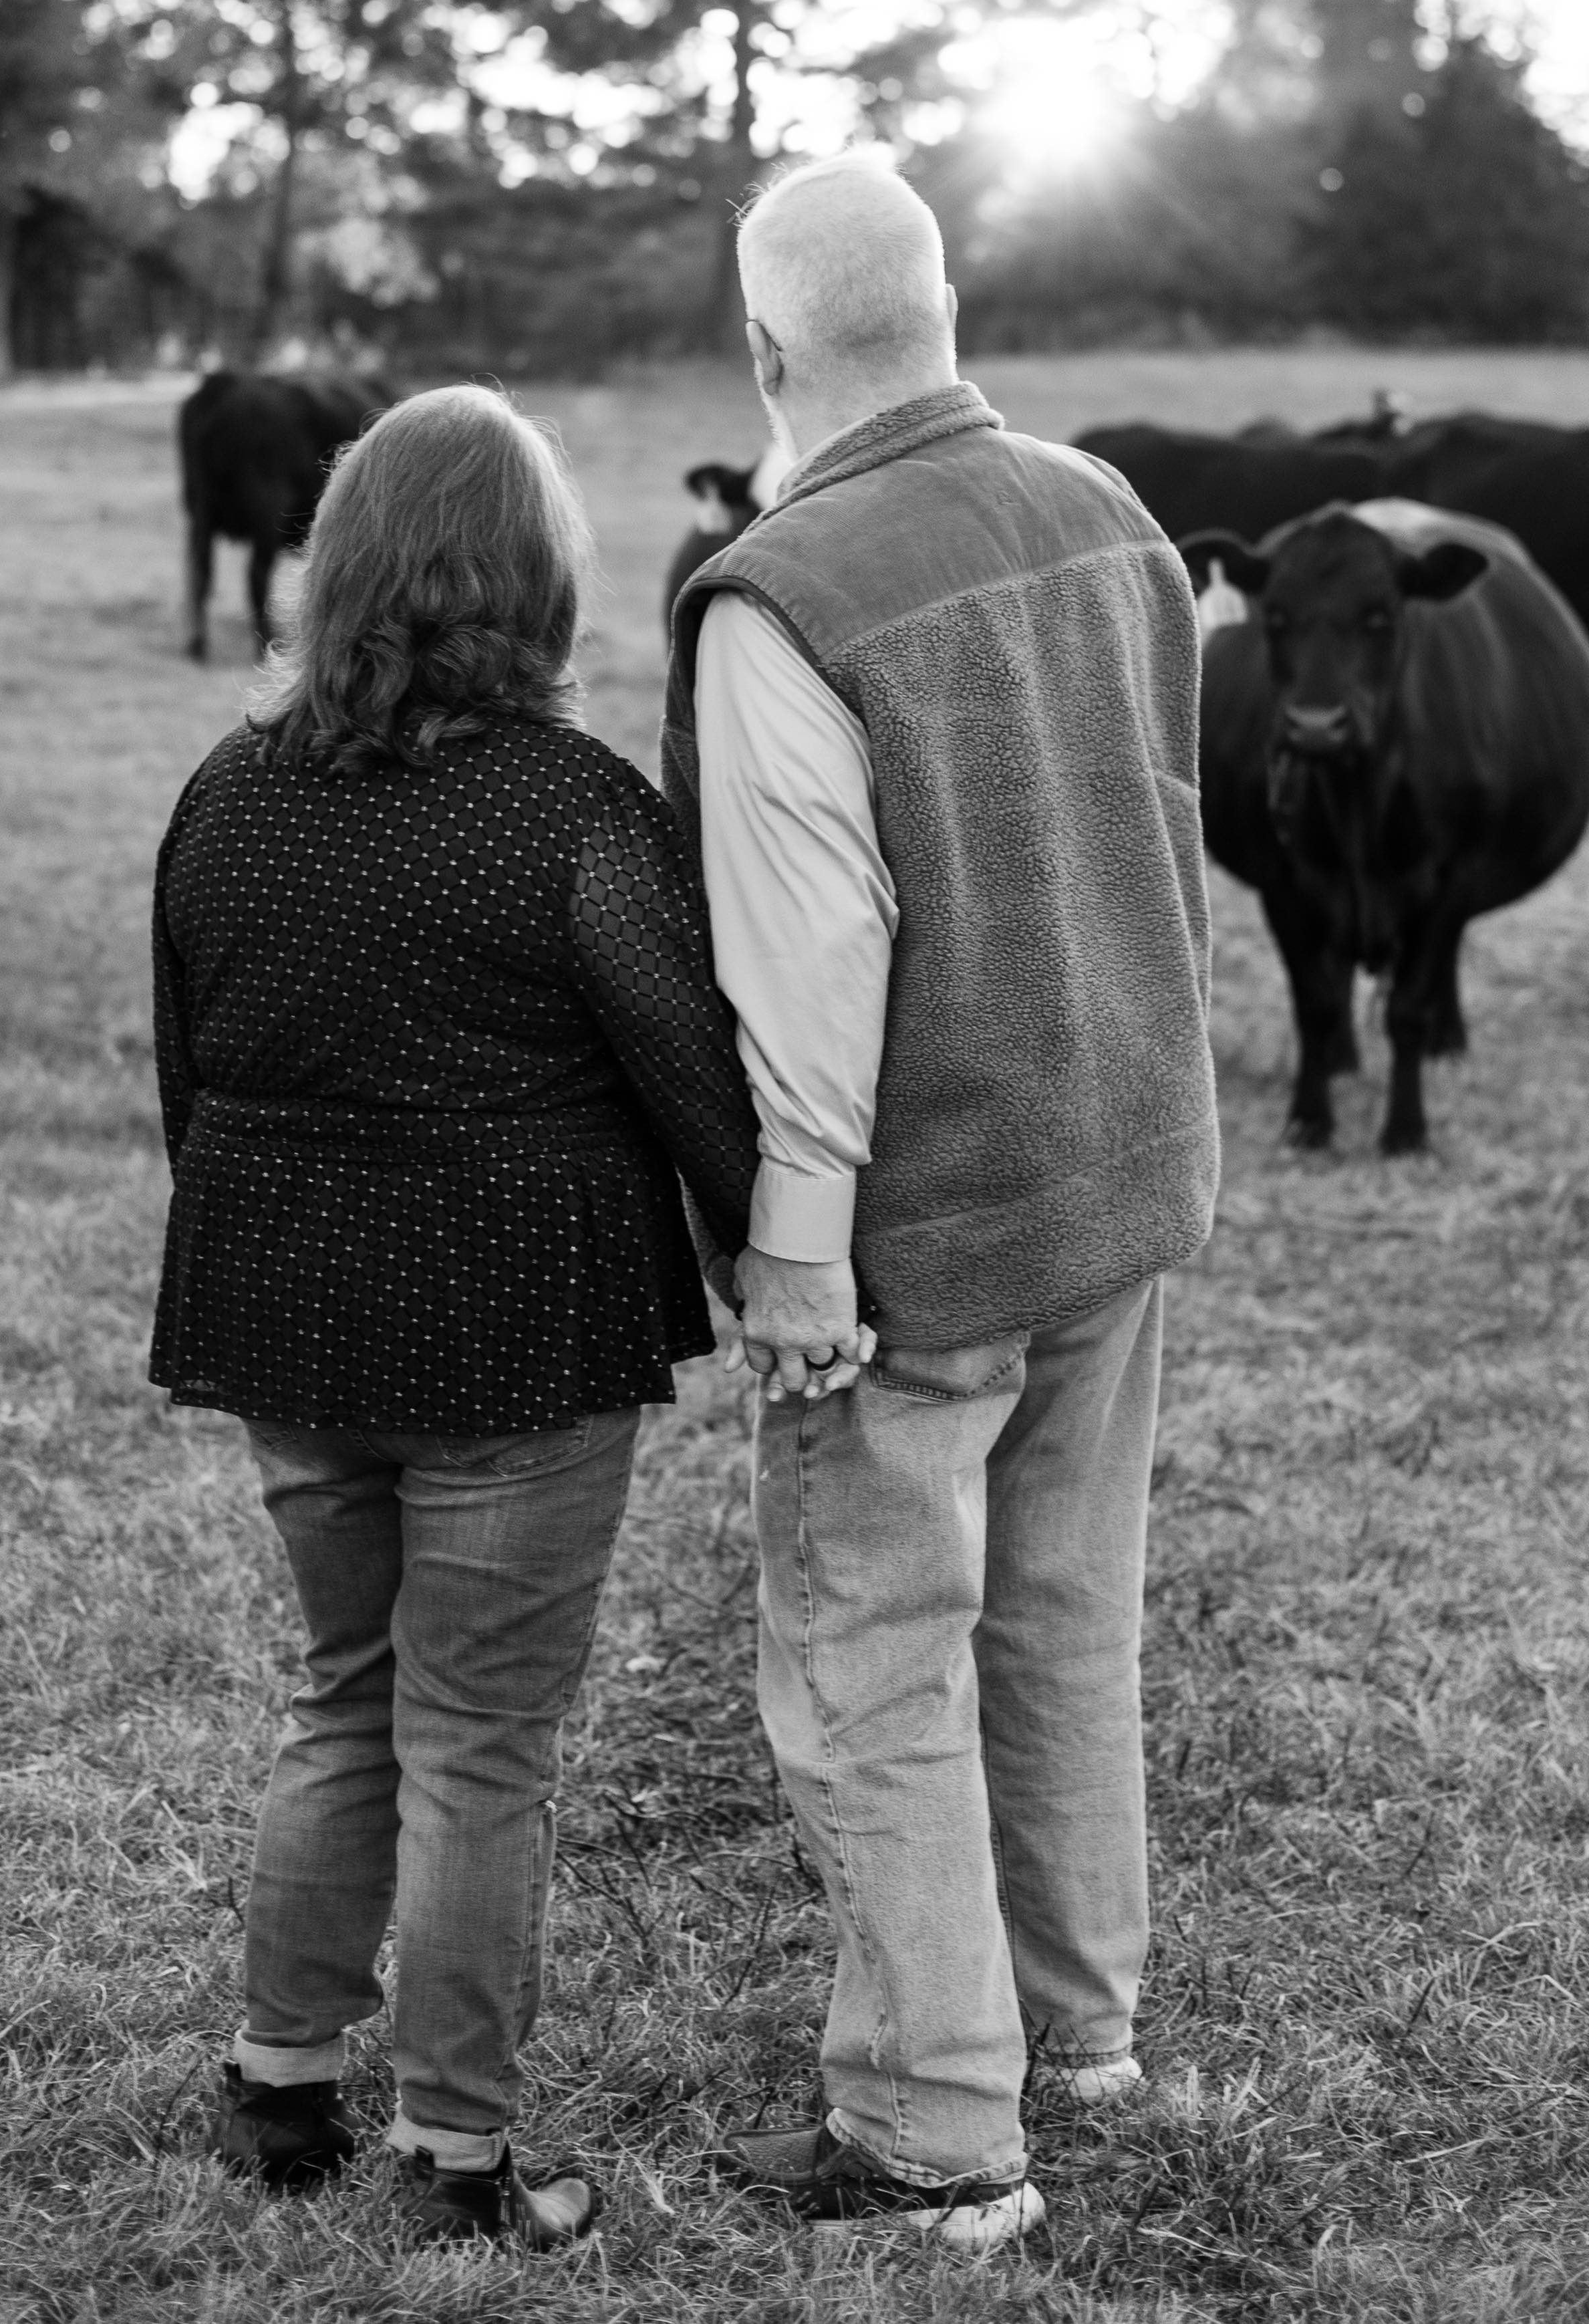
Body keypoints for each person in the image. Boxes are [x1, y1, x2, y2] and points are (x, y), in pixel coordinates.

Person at [662, 158, 1219, 2261]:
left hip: (930, 1224)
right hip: (1124, 1162)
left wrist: (796, 1248)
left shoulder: (777, 591)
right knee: (1071, 1601)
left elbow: (815, 956)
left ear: (767, 353)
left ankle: (934, 2133)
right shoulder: (1111, 509)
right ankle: (1082, 2031)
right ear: (947, 303)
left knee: (878, 1655)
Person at [149, 385, 757, 2250]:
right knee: (482, 1740)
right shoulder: (576, 811)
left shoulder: (226, 793)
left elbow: (194, 1086)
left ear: (338, 570)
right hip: (515, 1338)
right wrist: (778, 1256)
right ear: (540, 585)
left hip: (287, 1322)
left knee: (343, 1699)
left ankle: (278, 2087)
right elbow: (694, 1084)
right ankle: (457, 2153)